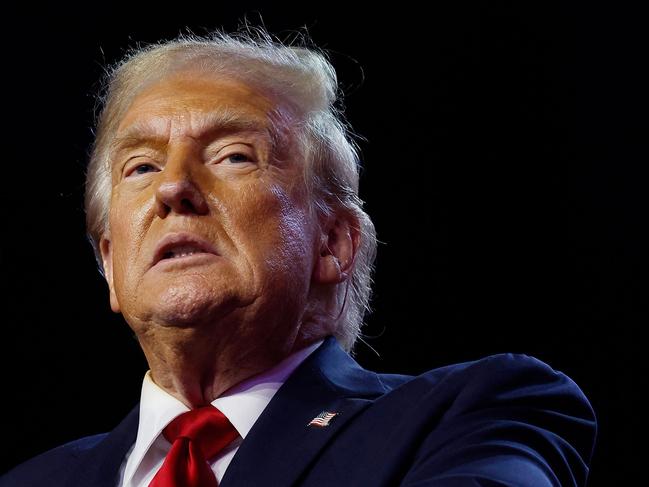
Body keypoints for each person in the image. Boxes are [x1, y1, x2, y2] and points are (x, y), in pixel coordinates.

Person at [1, 27, 596, 487]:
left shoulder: (468, 416)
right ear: (109, 262)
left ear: (332, 242)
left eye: (234, 155)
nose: (171, 188)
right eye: (142, 167)